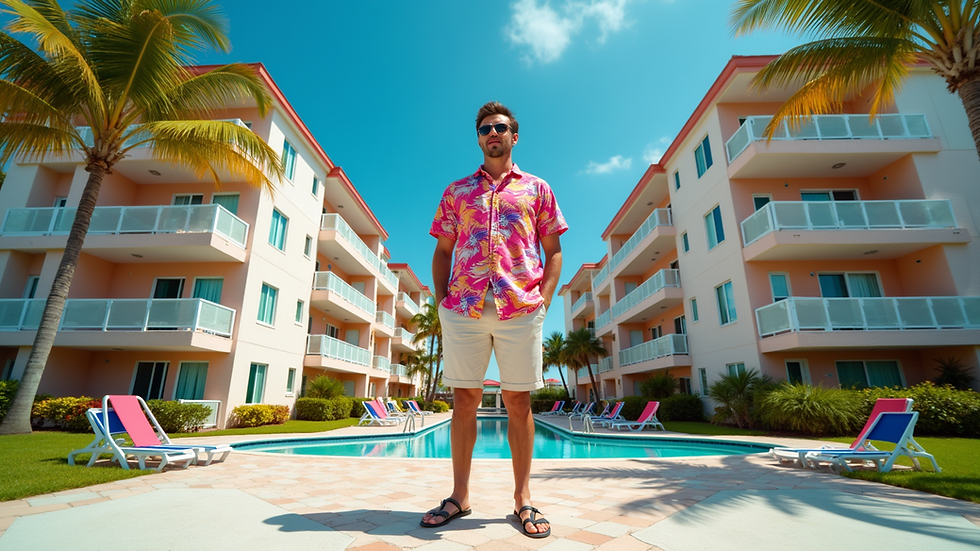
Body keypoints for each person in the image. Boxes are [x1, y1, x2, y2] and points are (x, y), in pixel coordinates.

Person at [421, 101, 567, 538]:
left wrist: (541, 301)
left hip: (520, 308)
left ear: (514, 135)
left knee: (518, 402)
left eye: (501, 127)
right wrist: (443, 300)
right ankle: (459, 496)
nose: (493, 133)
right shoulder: (456, 191)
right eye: (485, 128)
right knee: (464, 401)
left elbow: (553, 252)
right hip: (463, 308)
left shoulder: (538, 188)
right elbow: (443, 250)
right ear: (479, 138)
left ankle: (523, 499)